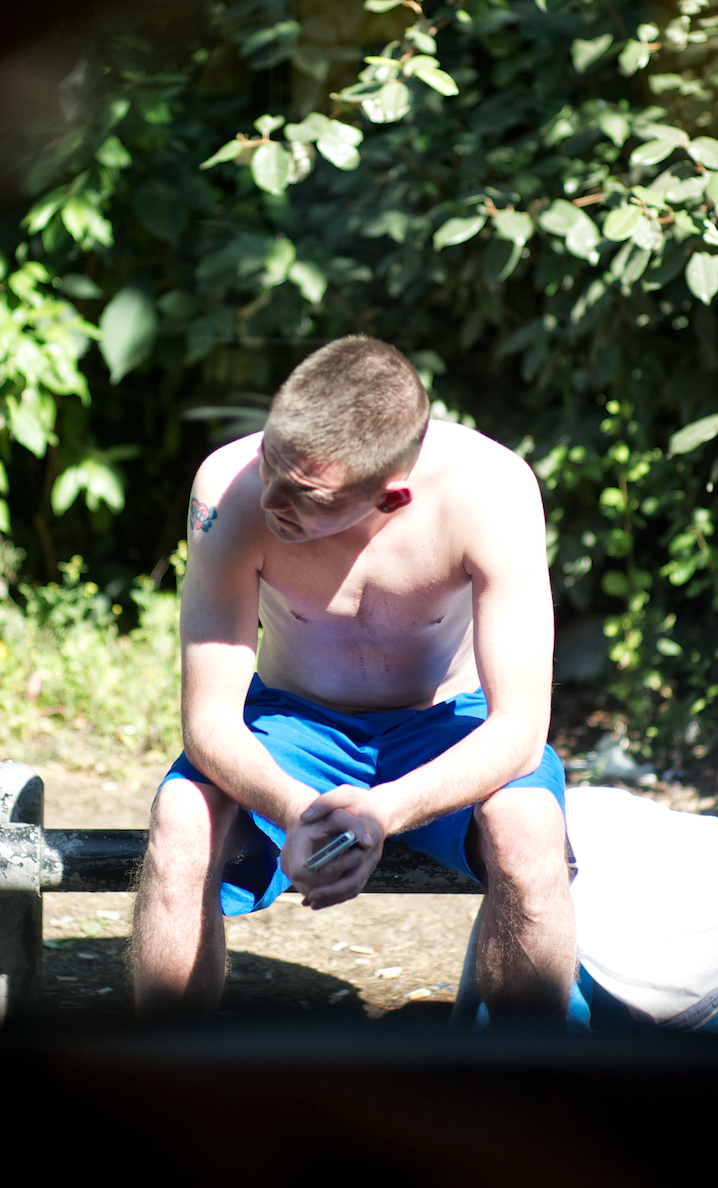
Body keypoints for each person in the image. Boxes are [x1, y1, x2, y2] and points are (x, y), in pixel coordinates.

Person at [130, 335, 575, 1021]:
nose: (269, 498)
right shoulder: (228, 487)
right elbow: (209, 719)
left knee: (531, 831)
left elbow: (518, 729)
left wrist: (384, 811)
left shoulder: (491, 491)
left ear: (391, 498)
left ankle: (531, 1072)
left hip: (445, 722)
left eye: (304, 495)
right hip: (293, 721)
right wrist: (295, 810)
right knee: (181, 818)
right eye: (270, 460)